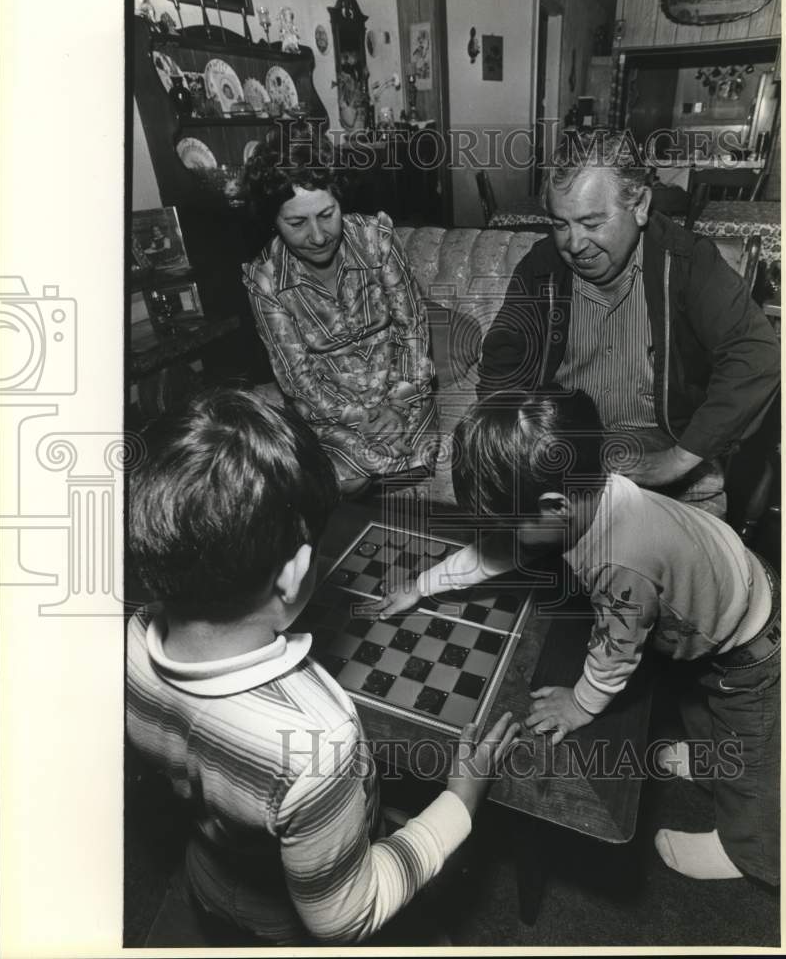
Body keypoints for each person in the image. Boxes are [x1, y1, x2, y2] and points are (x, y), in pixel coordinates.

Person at [126, 386, 519, 945]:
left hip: (210, 872)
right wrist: (461, 800)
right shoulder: (321, 743)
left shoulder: (133, 638)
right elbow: (344, 916)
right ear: (296, 573)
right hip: (288, 918)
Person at [375, 388, 779, 886]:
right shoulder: (588, 485)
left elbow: (616, 651)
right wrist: (422, 586)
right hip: (716, 604)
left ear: (553, 505)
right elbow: (501, 551)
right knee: (701, 707)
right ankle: (711, 761)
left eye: (513, 523)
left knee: (754, 748)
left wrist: (581, 704)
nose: (510, 535)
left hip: (751, 643)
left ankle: (751, 849)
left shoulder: (618, 562)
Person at [478, 128, 780, 518]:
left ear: (639, 206)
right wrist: (509, 439)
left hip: (656, 438)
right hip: (562, 435)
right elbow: (503, 361)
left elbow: (756, 354)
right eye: (560, 223)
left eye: (592, 222)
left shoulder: (688, 263)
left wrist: (676, 460)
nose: (574, 243)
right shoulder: (541, 267)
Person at [242, 131, 437, 495]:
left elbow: (413, 328)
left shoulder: (375, 239)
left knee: (413, 458)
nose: (317, 236)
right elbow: (297, 378)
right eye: (297, 223)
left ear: (339, 202)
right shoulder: (265, 281)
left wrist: (396, 404)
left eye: (326, 215)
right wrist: (360, 419)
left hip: (400, 389)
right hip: (331, 411)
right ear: (274, 221)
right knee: (353, 476)